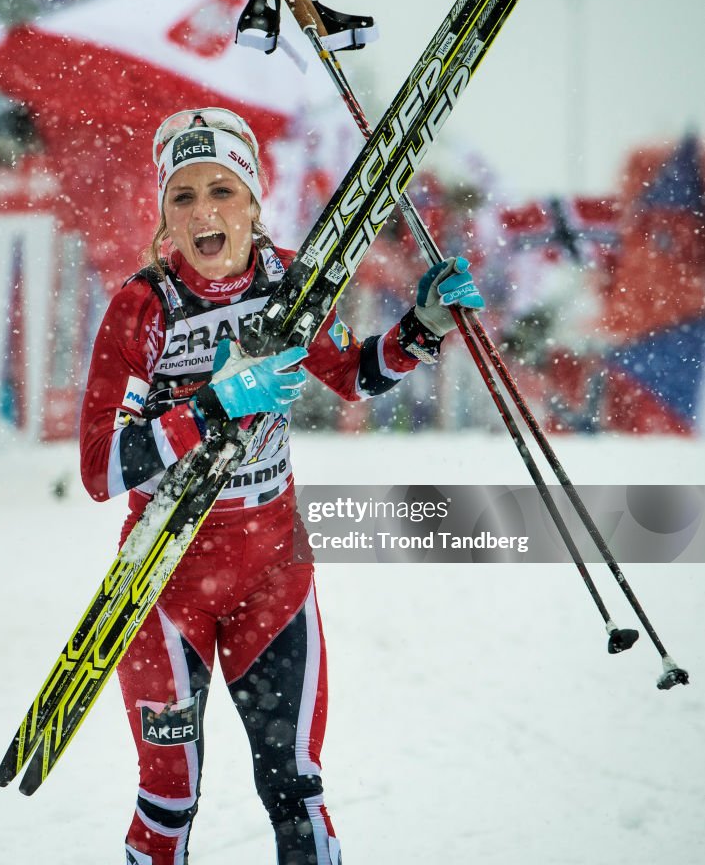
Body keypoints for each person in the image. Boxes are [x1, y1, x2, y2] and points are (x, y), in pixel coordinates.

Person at [79, 108, 484, 865]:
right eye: (184, 197)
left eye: (222, 191)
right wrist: (213, 403)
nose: (204, 213)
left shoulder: (289, 288)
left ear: (254, 200)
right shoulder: (142, 308)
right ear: (164, 212)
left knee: (294, 790)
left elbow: (354, 378)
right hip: (162, 582)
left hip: (272, 574)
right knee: (168, 801)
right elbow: (101, 466)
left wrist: (421, 328)